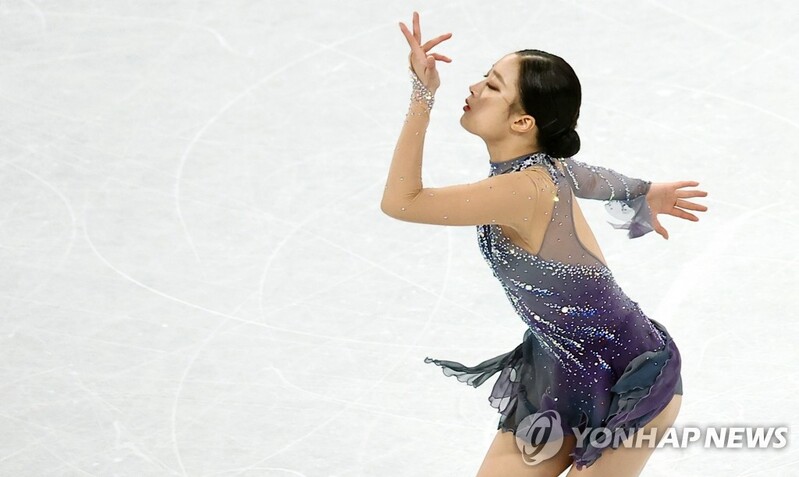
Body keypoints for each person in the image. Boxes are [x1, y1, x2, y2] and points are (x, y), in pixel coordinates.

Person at [381, 12, 709, 477]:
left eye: (493, 86)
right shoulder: (549, 169)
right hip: (558, 375)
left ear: (523, 121)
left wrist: (422, 97)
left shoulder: (524, 188)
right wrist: (644, 189)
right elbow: (595, 178)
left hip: (629, 380)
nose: (475, 88)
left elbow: (402, 202)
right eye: (483, 79)